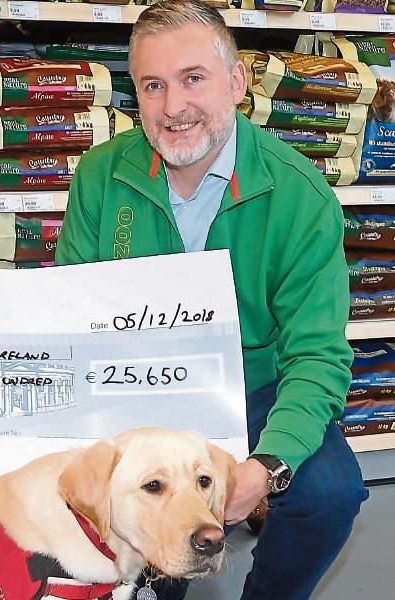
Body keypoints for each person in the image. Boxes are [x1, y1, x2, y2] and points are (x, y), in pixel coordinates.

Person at [55, 2, 369, 599]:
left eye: (193, 78)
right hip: (140, 390)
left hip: (256, 389)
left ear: (237, 81)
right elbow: (71, 322)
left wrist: (265, 468)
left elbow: (317, 359)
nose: (173, 108)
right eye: (153, 85)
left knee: (328, 494)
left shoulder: (301, 196)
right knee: (138, 524)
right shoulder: (99, 176)